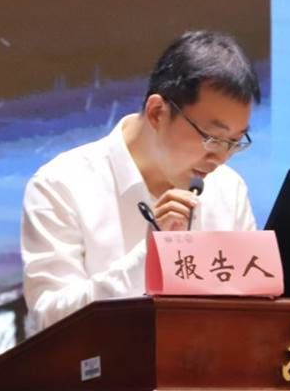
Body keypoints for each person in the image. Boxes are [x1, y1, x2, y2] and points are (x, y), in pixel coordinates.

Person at [20, 30, 260, 334]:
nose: (221, 157)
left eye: (235, 141)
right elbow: (49, 320)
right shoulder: (61, 185)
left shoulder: (228, 189)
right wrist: (149, 259)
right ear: (157, 113)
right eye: (212, 138)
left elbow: (249, 311)